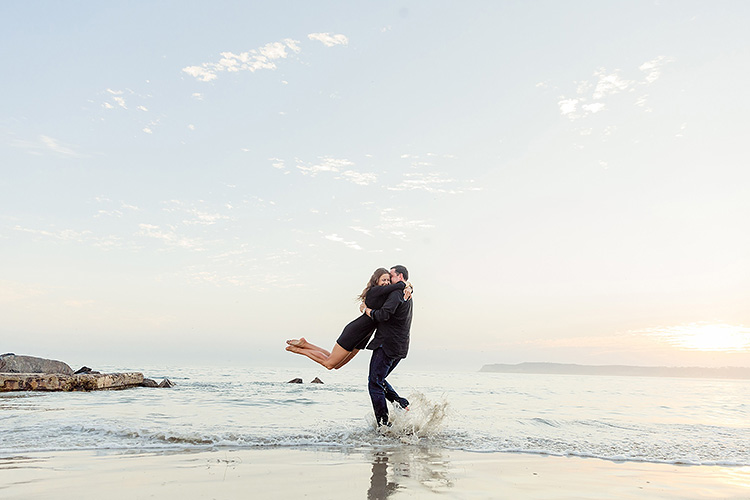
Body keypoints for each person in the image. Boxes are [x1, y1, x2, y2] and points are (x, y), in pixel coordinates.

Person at [285, 268, 412, 370]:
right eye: (383, 280)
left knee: (336, 364)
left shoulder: (386, 294)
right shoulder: (374, 291)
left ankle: (305, 344)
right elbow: (398, 286)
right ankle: (298, 350)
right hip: (356, 330)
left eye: (388, 280)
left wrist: (409, 288)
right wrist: (406, 284)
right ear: (376, 280)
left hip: (365, 335)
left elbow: (396, 294)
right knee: (329, 364)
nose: (387, 283)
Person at [361, 265, 413, 427]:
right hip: (400, 347)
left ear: (401, 276)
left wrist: (366, 310)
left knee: (374, 383)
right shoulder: (405, 293)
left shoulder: (398, 293)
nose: (389, 280)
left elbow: (383, 315)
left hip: (387, 344)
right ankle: (400, 404)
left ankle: (383, 426)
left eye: (391, 277)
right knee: (378, 379)